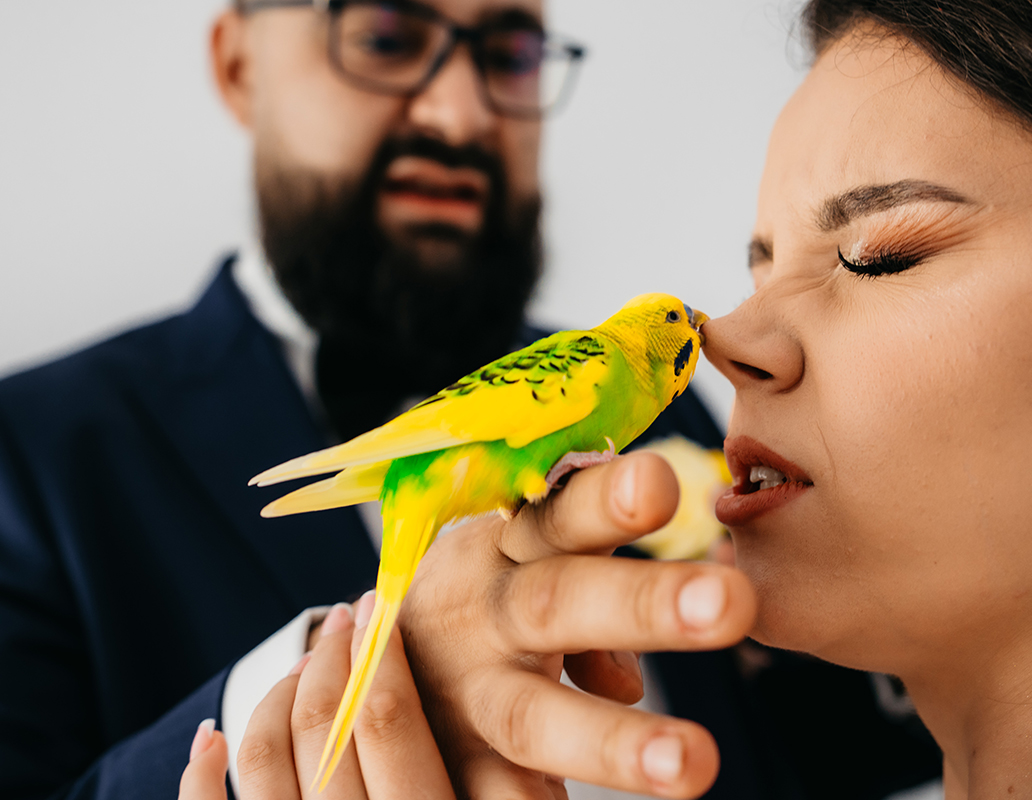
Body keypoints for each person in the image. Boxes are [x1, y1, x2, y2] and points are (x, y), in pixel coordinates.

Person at [180, 0, 1032, 797]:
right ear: (232, 65)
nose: (729, 340)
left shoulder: (667, 428)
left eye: (878, 255)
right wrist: (339, 695)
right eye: (385, 37)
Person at [0, 0, 939, 798]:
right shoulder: (30, 455)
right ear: (239, 64)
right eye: (384, 38)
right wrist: (294, 709)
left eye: (510, 53)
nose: (457, 115)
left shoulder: (671, 408)